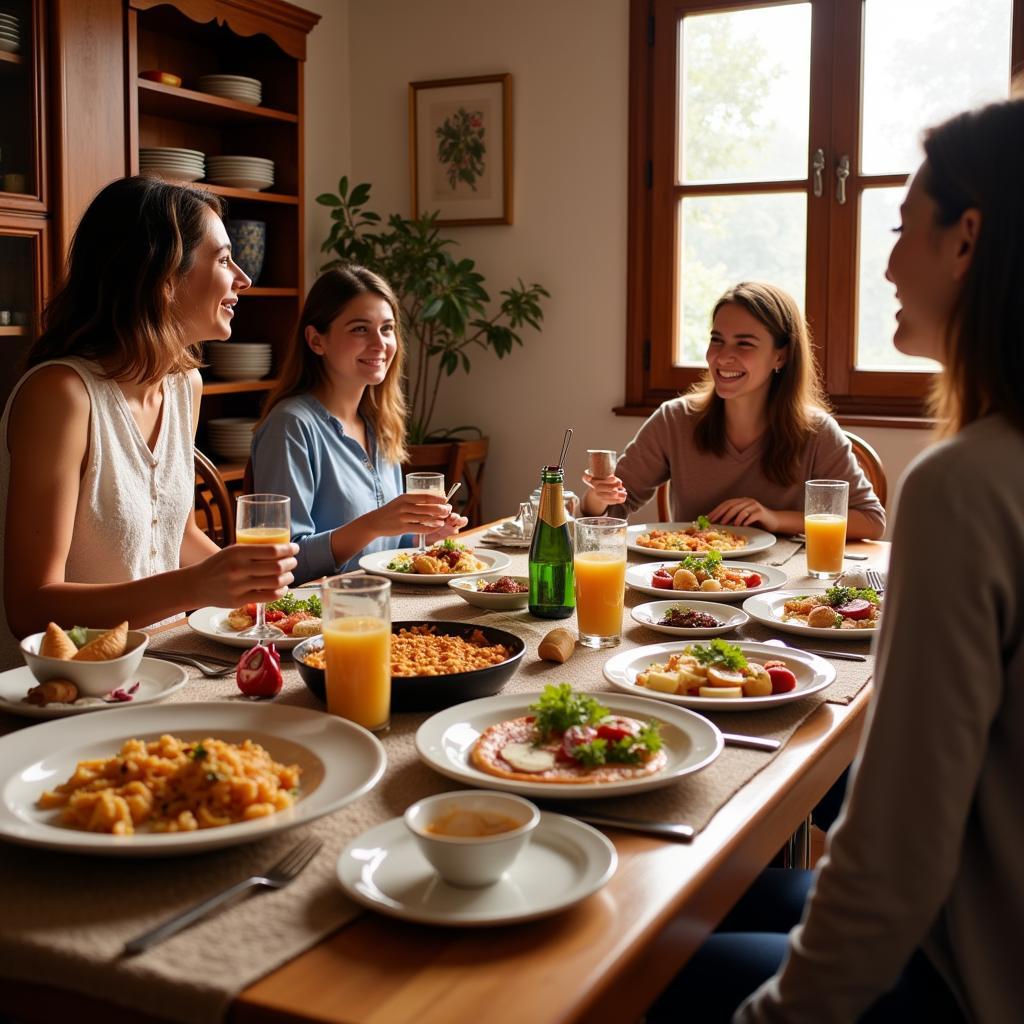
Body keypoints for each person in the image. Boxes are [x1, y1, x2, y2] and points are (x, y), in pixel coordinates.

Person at [649, 95, 1024, 1022]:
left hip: (967, 968)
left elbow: (892, 862)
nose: (888, 261)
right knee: (690, 902)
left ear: (967, 239)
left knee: (613, 974)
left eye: (902, 227)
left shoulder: (966, 484)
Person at [0, 176, 299, 669]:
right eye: (224, 260)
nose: (243, 279)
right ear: (164, 279)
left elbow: (174, 535)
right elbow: (29, 608)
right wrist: (197, 586)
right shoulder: (61, 396)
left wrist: (262, 594)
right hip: (60, 693)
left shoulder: (184, 386)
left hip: (163, 665)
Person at [582, 282, 885, 540]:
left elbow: (870, 520)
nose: (723, 357)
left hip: (784, 592)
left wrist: (775, 518)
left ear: (780, 356)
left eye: (744, 344)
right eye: (717, 340)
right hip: (693, 587)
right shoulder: (673, 420)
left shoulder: (818, 432)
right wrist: (598, 496)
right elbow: (608, 512)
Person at [251, 266, 467, 582]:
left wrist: (425, 537)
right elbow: (283, 563)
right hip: (321, 619)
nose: (380, 344)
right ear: (315, 340)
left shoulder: (379, 423)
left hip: (382, 607)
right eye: (360, 329)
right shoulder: (291, 426)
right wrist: (374, 523)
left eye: (387, 328)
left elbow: (388, 548)